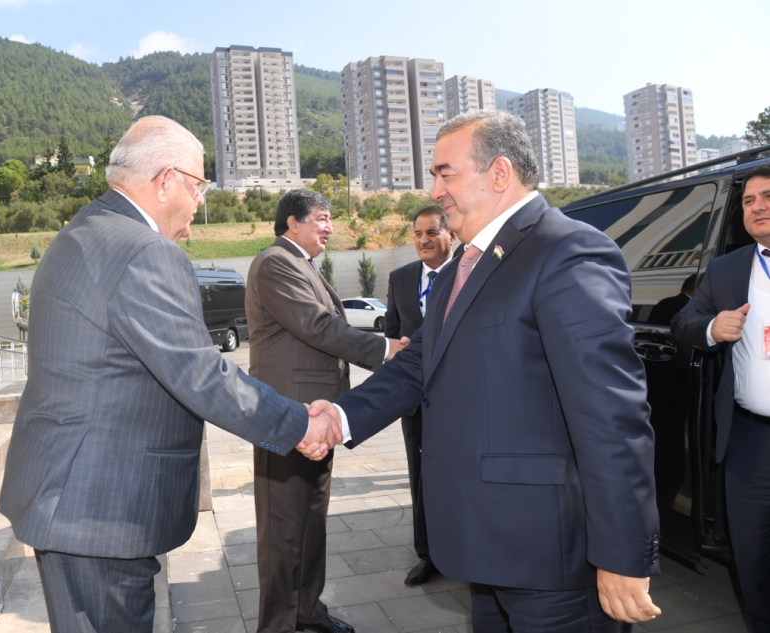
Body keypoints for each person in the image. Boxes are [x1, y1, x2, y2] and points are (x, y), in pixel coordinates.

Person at [309, 110, 661, 632]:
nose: (435, 190)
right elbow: (417, 365)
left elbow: (612, 416)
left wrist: (623, 553)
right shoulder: (461, 268)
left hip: (551, 558)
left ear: (499, 173)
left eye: (444, 173)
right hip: (485, 548)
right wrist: (339, 418)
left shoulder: (566, 251)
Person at [0, 117, 342, 633]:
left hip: (71, 496)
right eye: (199, 185)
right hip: (100, 510)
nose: (200, 202)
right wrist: (300, 424)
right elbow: (201, 374)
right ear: (165, 181)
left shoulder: (83, 232)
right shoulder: (145, 251)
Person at [246, 188, 407, 633]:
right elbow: (317, 326)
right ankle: (278, 625)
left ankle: (307, 612)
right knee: (283, 531)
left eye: (330, 219)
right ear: (292, 222)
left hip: (318, 419)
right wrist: (385, 349)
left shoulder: (303, 265)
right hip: (289, 418)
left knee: (310, 522)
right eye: (321, 218)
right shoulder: (275, 262)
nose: (330, 227)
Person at [671, 163, 770, 632]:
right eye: (748, 201)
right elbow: (683, 322)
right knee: (754, 558)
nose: (757, 207)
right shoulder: (727, 269)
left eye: (767, 197)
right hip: (751, 442)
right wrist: (712, 327)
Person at [383, 205, 455, 586]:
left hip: (461, 400)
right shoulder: (400, 279)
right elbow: (391, 332)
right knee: (420, 479)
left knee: (460, 478)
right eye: (417, 234)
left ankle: (465, 551)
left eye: (431, 233)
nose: (423, 240)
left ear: (451, 236)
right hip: (415, 402)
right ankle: (428, 555)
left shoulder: (470, 273)